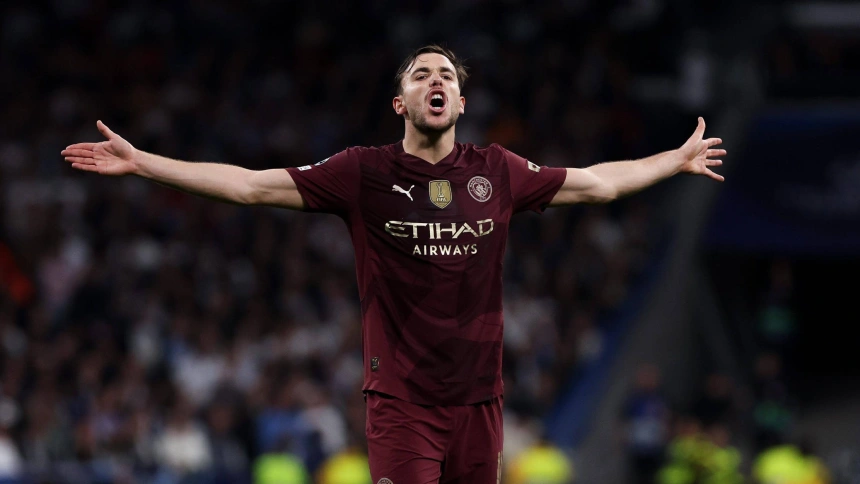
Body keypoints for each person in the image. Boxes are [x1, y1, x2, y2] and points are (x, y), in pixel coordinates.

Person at [61, 44, 726, 484]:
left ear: (461, 104)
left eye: (447, 77)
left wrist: (675, 160)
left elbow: (598, 183)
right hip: (403, 402)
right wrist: (143, 162)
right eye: (420, 75)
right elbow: (250, 185)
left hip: (480, 400)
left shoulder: (498, 170)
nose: (435, 82)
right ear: (400, 104)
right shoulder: (362, 172)